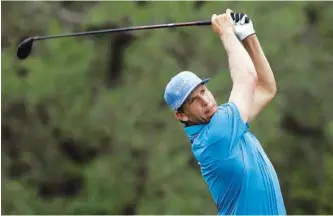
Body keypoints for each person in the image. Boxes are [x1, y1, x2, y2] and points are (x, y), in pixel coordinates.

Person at [164, 9, 286, 215]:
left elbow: (266, 89)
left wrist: (248, 35)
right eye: (194, 100)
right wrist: (227, 33)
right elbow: (247, 78)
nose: (205, 100)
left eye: (203, 91)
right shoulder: (215, 136)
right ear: (181, 115)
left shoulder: (229, 124)